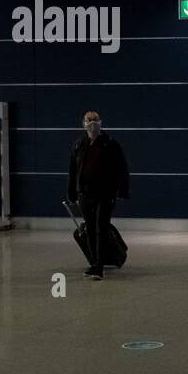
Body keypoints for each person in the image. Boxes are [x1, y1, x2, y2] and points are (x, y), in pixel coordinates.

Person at [66, 110, 129, 280]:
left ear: (100, 122)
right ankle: (95, 263)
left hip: (105, 194)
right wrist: (71, 193)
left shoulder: (110, 144)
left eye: (95, 120)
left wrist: (122, 191)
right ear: (83, 123)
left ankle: (99, 265)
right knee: (91, 228)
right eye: (89, 120)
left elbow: (121, 168)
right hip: (85, 194)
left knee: (101, 228)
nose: (92, 123)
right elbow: (73, 171)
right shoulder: (79, 145)